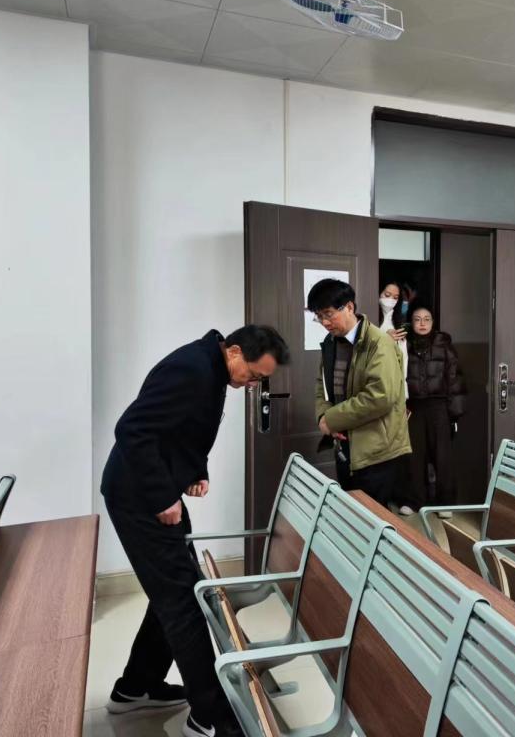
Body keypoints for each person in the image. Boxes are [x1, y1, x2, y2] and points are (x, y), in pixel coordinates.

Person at [101, 325, 290, 737]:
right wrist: (161, 498)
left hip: (155, 489)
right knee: (184, 601)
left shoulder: (213, 367)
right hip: (139, 497)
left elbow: (182, 429)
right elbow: (132, 429)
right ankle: (211, 717)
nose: (253, 384)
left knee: (177, 589)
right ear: (235, 351)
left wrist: (194, 472)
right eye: (253, 375)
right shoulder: (192, 369)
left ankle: (136, 687)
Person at [309, 278, 411, 505]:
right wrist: (324, 416)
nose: (324, 322)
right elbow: (321, 385)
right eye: (319, 316)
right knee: (351, 512)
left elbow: (380, 396)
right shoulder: (331, 341)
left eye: (328, 314)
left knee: (372, 516)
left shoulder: (379, 343)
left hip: (376, 449)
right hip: (345, 442)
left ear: (349, 307)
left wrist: (332, 419)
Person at [401, 302, 464, 516]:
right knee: (413, 455)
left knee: (442, 456)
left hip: (439, 406)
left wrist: (454, 414)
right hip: (413, 407)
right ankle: (413, 501)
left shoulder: (444, 345)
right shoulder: (403, 344)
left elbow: (455, 379)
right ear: (411, 322)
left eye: (427, 319)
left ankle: (445, 504)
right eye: (417, 319)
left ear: (433, 322)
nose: (422, 323)